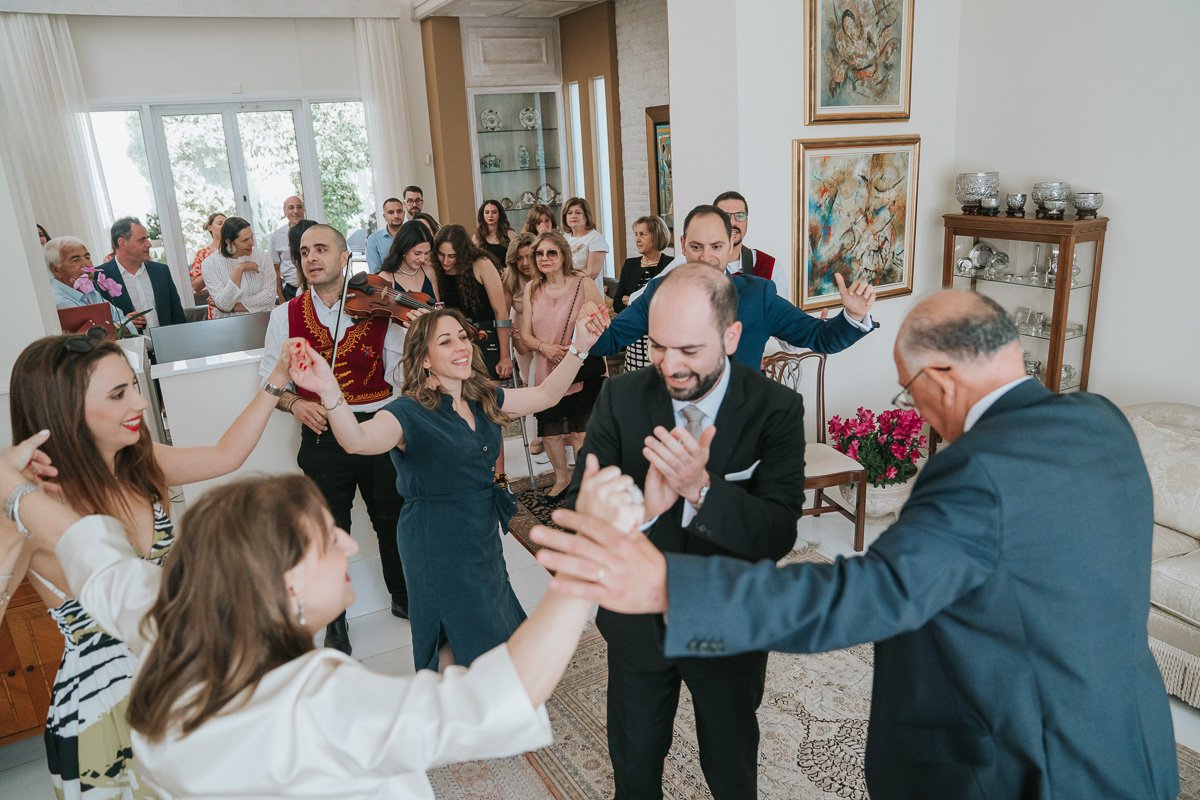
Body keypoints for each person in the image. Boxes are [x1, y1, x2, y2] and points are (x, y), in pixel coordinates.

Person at [536, 289, 1181, 800]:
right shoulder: (1101, 422)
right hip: (1128, 746)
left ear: (942, 376)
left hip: (1021, 766)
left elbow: (870, 591)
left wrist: (668, 585)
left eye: (910, 390)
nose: (918, 411)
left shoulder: (978, 472)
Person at [1, 431, 644, 798]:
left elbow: (100, 558)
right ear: (282, 585)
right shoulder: (310, 705)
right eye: (325, 539)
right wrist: (589, 561)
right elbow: (493, 700)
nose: (352, 544)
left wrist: (18, 492)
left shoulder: (170, 623)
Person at [5, 329, 298, 798]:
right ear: (64, 409)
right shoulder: (32, 504)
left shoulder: (139, 465)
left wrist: (278, 378)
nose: (140, 404)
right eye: (119, 394)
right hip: (109, 708)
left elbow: (226, 455)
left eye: (134, 387)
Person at [554, 263, 807, 798]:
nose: (671, 365)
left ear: (731, 337)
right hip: (636, 623)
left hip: (727, 618)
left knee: (731, 761)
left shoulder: (776, 410)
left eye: (690, 350)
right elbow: (578, 509)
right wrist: (639, 512)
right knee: (636, 760)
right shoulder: (620, 398)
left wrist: (703, 491)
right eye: (660, 346)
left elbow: (778, 530)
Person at [288, 303, 607, 674]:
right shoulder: (405, 413)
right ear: (423, 359)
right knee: (461, 636)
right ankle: (461, 711)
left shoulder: (481, 396)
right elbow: (357, 440)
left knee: (492, 621)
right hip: (435, 542)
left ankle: (484, 703)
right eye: (445, 341)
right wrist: (329, 390)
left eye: (462, 337)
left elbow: (548, 395)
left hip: (479, 533)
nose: (461, 347)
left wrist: (580, 347)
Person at [260, 223, 410, 655]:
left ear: (346, 257)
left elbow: (400, 376)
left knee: (391, 518)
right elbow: (270, 378)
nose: (311, 257)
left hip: (375, 429)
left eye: (321, 249)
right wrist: (294, 405)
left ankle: (404, 598)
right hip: (321, 438)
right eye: (304, 251)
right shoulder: (283, 316)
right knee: (328, 531)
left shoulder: (379, 307)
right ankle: (335, 622)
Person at [583, 205, 875, 369]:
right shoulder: (658, 291)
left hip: (744, 426)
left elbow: (819, 337)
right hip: (677, 432)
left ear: (730, 246)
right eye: (696, 246)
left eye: (716, 246)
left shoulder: (759, 295)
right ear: (683, 245)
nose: (706, 257)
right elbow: (611, 340)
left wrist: (853, 317)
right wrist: (585, 329)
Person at [518, 231, 607, 501]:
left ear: (563, 255)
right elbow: (525, 334)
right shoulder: (532, 288)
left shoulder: (582, 284)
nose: (544, 258)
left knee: (581, 433)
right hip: (547, 368)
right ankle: (562, 478)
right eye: (539, 254)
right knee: (551, 433)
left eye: (551, 252)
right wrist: (545, 348)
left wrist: (575, 347)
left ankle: (583, 484)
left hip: (580, 366)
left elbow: (602, 321)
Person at [432, 224, 513, 384]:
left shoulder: (482, 264)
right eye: (441, 254)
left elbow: (501, 313)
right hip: (455, 340)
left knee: (489, 398)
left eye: (452, 256)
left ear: (462, 253)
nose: (446, 261)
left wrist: (505, 356)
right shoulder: (435, 269)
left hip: (487, 337)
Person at [98, 216, 188, 328]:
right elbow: (100, 325)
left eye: (147, 238)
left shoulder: (161, 271)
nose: (148, 244)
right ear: (122, 242)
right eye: (141, 240)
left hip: (167, 343)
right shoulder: (100, 277)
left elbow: (177, 315)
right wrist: (124, 324)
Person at [613, 215, 672, 373]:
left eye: (642, 234)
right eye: (636, 234)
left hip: (661, 340)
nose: (637, 239)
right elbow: (617, 303)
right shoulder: (630, 264)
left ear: (656, 235)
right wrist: (636, 302)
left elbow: (668, 306)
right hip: (634, 339)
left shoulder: (671, 264)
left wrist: (631, 300)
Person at [200, 216, 278, 317]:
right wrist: (240, 269)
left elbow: (270, 296)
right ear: (229, 242)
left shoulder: (262, 256)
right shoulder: (209, 264)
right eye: (245, 240)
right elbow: (224, 304)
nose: (251, 243)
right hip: (228, 326)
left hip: (262, 320)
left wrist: (234, 307)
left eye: (251, 237)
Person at [45, 236, 127, 326]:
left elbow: (126, 321)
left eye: (87, 257)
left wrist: (116, 326)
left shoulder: (89, 290)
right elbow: (96, 336)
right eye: (76, 260)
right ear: (56, 270)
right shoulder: (59, 301)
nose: (87, 264)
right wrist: (118, 326)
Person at [713, 190, 774, 280]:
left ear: (747, 222)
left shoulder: (771, 267)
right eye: (725, 216)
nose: (732, 223)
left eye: (740, 216)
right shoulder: (696, 262)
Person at [501, 231, 537, 386]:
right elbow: (503, 313)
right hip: (521, 335)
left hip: (547, 333)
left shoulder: (547, 273)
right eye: (519, 258)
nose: (525, 263)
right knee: (529, 380)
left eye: (529, 256)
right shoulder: (509, 278)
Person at [378, 220, 439, 300]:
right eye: (417, 253)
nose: (422, 259)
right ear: (404, 249)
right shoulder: (386, 278)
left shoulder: (429, 272)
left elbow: (438, 307)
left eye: (426, 253)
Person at [562, 197, 610, 293]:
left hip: (587, 291)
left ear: (586, 216)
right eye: (570, 213)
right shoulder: (563, 238)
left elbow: (591, 274)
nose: (573, 216)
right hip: (565, 290)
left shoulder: (595, 238)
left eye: (578, 212)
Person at [189, 212, 226, 319]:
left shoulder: (236, 250)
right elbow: (196, 286)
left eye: (226, 223)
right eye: (220, 223)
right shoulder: (202, 254)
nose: (224, 226)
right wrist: (212, 268)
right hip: (216, 308)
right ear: (210, 227)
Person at [269, 195, 306, 301]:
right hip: (290, 291)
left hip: (314, 288)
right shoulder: (276, 236)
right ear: (285, 212)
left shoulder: (315, 230)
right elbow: (275, 271)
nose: (296, 211)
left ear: (303, 210)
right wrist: (281, 297)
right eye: (291, 207)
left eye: (299, 207)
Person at [366, 196, 406, 274]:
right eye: (391, 212)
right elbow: (376, 272)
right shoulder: (374, 239)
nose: (396, 216)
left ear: (404, 213)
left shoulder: (413, 235)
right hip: (387, 284)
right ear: (384, 216)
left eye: (399, 211)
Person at [473, 199, 516, 266]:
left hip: (507, 274)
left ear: (500, 215)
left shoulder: (510, 234)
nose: (490, 215)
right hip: (486, 274)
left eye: (494, 212)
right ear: (482, 215)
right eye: (487, 212)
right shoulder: (477, 237)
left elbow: (516, 258)